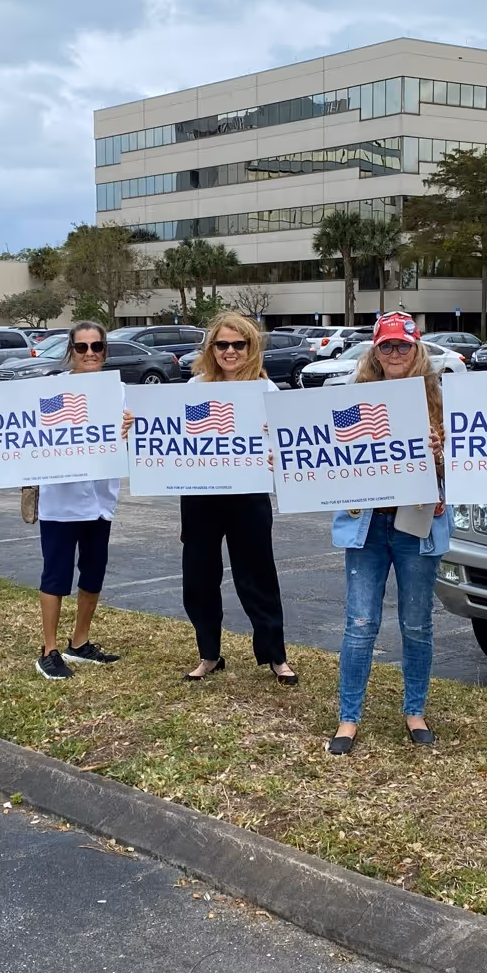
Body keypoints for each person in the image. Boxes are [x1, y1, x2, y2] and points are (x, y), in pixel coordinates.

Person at [327, 312, 450, 755]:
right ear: (374, 352)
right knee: (360, 623)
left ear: (416, 349)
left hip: (417, 524)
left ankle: (414, 709)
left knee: (416, 624)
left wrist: (441, 459)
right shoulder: (351, 400)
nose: (395, 353)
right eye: (386, 346)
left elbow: (473, 467)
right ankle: (348, 717)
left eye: (403, 345)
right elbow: (325, 459)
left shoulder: (442, 399)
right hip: (366, 523)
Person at [0, 320, 124, 681]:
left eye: (96, 346)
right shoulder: (50, 390)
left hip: (101, 499)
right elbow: (22, 425)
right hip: (60, 501)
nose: (90, 353)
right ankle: (49, 649)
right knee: (56, 574)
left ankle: (80, 642)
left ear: (105, 350)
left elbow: (135, 436)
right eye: (82, 347)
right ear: (70, 351)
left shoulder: (118, 391)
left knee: (93, 573)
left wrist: (130, 427)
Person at [179, 313, 297, 686]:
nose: (230, 351)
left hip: (248, 495)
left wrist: (274, 437)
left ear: (251, 347)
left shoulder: (267, 391)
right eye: (222, 345)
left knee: (258, 574)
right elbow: (170, 434)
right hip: (200, 495)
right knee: (199, 577)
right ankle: (209, 654)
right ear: (211, 349)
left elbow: (286, 443)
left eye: (238, 344)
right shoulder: (195, 387)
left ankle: (275, 656)